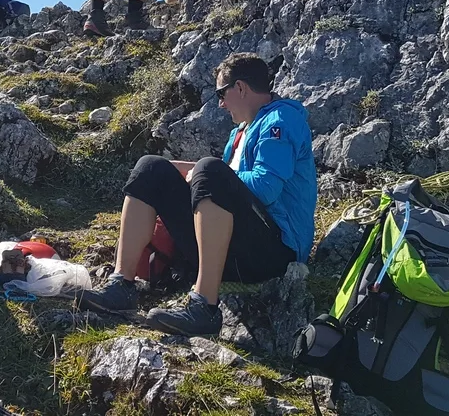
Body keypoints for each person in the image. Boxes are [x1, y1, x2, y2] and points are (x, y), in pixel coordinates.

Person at [75, 54, 317, 336]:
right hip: (235, 247)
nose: (220, 103)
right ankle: (122, 286)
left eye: (221, 93)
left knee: (208, 170)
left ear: (240, 88)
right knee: (151, 167)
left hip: (275, 254)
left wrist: (202, 174)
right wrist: (186, 172)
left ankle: (204, 307)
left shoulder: (281, 119)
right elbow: (230, 182)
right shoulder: (241, 131)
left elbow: (265, 187)